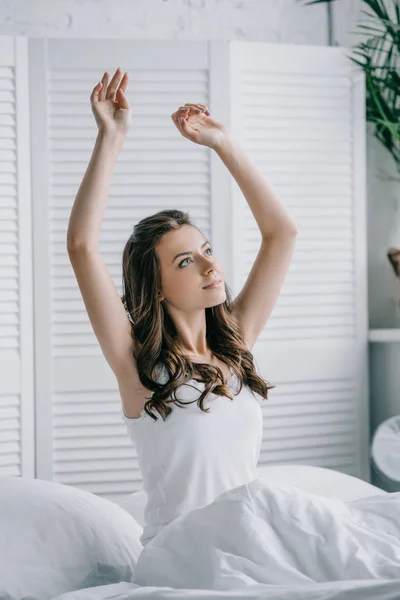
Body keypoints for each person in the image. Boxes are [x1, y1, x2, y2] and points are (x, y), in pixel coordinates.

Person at [66, 67, 298, 549]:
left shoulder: (236, 345)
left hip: (251, 540)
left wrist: (224, 144)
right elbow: (82, 245)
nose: (210, 266)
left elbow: (282, 233)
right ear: (157, 288)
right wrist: (110, 137)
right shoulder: (138, 367)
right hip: (182, 551)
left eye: (207, 250)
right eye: (186, 261)